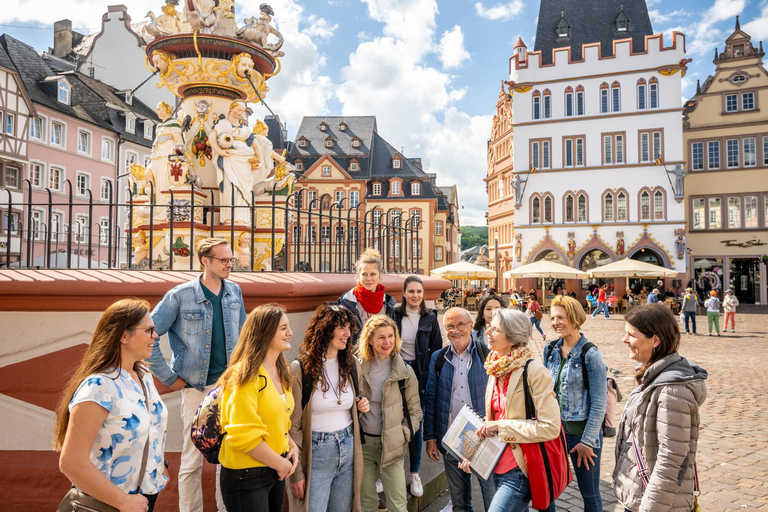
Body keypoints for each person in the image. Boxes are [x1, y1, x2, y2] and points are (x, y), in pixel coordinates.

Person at [148, 237, 246, 512]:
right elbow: (149, 335)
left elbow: (244, 335)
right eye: (224, 260)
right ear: (205, 261)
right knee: (192, 459)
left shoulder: (234, 291)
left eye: (231, 260)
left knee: (226, 456)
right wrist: (169, 378)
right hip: (195, 387)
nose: (230, 265)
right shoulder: (180, 295)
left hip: (229, 387)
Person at [55, 298, 168, 512]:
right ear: (123, 336)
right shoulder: (99, 386)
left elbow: (149, 428)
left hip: (142, 501)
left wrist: (159, 466)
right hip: (108, 503)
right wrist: (122, 501)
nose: (156, 336)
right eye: (149, 330)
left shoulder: (143, 376)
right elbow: (71, 462)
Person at [459, 308, 561, 512]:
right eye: (489, 327)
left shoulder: (534, 372)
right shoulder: (496, 367)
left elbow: (551, 427)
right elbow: (491, 420)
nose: (487, 332)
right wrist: (474, 453)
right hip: (495, 465)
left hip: (520, 471)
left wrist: (501, 426)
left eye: (495, 329)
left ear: (513, 336)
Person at [614, 305, 707, 512]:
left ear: (655, 341)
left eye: (631, 334)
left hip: (655, 503)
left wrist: (650, 508)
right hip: (641, 495)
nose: (624, 339)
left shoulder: (671, 390)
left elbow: (671, 460)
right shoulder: (653, 377)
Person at [217, 304, 299, 512]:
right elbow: (242, 433)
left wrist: (292, 446)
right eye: (283, 328)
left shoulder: (282, 371)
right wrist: (281, 465)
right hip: (246, 475)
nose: (290, 333)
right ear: (265, 332)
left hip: (274, 470)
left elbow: (280, 420)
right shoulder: (245, 375)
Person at [288, 305, 370, 512]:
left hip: (348, 446)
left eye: (349, 328)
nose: (348, 334)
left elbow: (352, 401)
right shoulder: (300, 369)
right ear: (325, 329)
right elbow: (293, 426)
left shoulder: (351, 363)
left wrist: (362, 404)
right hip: (316, 452)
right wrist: (296, 473)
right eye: (342, 328)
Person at [424, 308, 495, 512]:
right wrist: (430, 438)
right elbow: (431, 399)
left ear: (471, 326)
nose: (455, 330)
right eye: (450, 326)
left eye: (460, 325)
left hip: (484, 438)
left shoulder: (488, 355)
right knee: (460, 503)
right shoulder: (439, 358)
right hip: (453, 438)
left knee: (493, 499)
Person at [543, 296, 607, 512]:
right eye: (552, 318)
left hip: (582, 436)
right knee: (547, 489)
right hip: (553, 433)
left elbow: (599, 404)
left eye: (561, 317)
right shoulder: (550, 350)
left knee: (590, 495)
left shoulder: (590, 354)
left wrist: (588, 442)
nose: (555, 322)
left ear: (574, 317)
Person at [357, 315, 422, 512]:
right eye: (381, 337)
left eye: (391, 336)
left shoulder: (405, 371)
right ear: (369, 339)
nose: (387, 342)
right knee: (366, 503)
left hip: (393, 445)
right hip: (364, 444)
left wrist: (403, 434)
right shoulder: (357, 368)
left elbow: (415, 412)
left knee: (398, 505)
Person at [393, 276, 442, 497]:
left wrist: (432, 380)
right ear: (403, 293)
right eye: (411, 291)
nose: (415, 296)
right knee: (391, 421)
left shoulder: (430, 318)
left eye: (419, 292)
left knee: (415, 424)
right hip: (396, 373)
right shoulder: (393, 315)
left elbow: (437, 351)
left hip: (420, 375)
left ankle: (414, 473)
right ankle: (386, 470)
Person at [209, 100, 266, 225]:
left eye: (242, 111)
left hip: (245, 162)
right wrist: (220, 151)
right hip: (230, 159)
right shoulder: (224, 124)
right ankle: (229, 217)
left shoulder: (246, 130)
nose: (240, 113)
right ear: (231, 108)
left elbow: (256, 147)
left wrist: (261, 162)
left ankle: (243, 218)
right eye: (239, 110)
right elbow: (212, 137)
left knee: (245, 191)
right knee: (230, 188)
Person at [338, 248, 396, 342]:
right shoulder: (348, 302)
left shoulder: (388, 303)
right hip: (356, 355)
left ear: (379, 275)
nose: (368, 279)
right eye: (364, 274)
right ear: (358, 275)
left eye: (373, 274)